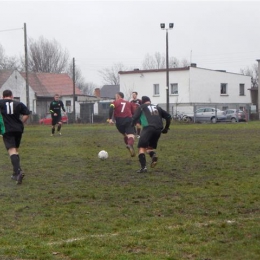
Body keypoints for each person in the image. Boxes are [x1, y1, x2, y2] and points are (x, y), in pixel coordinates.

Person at [131, 96, 171, 173]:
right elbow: (168, 116)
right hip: (158, 129)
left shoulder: (142, 107)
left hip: (148, 128)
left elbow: (134, 118)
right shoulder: (157, 107)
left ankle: (143, 168)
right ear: (150, 101)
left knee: (141, 148)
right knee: (149, 148)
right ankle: (153, 155)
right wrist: (166, 128)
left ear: (142, 102)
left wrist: (132, 126)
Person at [0, 89, 30, 184]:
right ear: (12, 96)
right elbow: (27, 113)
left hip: (7, 130)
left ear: (3, 96)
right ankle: (15, 173)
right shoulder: (18, 103)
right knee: (15, 151)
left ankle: (18, 172)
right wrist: (21, 122)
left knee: (12, 151)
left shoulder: (1, 103)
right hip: (18, 129)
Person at [108, 92, 136, 157]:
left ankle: (129, 146)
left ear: (118, 96)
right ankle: (130, 145)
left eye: (115, 96)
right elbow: (133, 113)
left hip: (119, 121)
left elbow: (111, 109)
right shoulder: (129, 103)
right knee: (131, 135)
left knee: (125, 135)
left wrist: (110, 119)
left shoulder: (114, 102)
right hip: (128, 120)